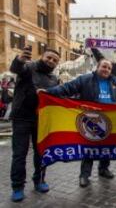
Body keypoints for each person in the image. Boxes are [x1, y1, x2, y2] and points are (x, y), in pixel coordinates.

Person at [46, 59, 116, 188]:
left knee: (106, 145)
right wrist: (48, 93)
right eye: (104, 67)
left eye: (109, 68)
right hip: (90, 118)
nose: (106, 69)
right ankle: (84, 175)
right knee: (89, 147)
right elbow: (67, 88)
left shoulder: (114, 81)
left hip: (109, 118)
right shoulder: (85, 79)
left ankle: (103, 169)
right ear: (97, 67)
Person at [9, 47, 60, 202]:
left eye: (54, 60)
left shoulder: (54, 78)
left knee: (41, 153)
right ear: (42, 56)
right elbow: (16, 68)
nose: (51, 61)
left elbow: (57, 96)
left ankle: (39, 180)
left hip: (41, 119)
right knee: (19, 154)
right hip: (22, 118)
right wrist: (20, 59)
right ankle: (17, 187)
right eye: (48, 57)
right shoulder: (29, 67)